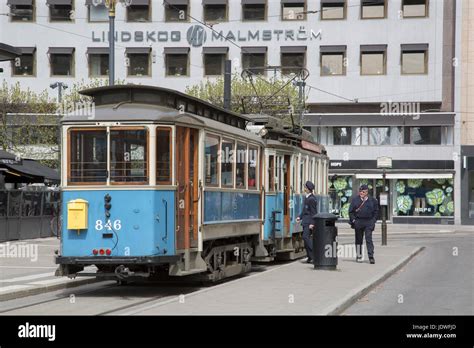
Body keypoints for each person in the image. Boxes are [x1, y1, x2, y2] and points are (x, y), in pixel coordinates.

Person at [349, 184, 379, 264]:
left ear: (366, 192)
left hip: (369, 222)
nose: (361, 193)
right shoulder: (355, 200)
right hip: (358, 221)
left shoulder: (373, 200)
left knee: (368, 239)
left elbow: (376, 212)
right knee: (358, 240)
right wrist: (354, 220)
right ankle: (359, 255)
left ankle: (371, 256)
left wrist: (373, 221)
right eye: (360, 191)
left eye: (363, 191)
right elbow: (351, 211)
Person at [296, 181, 318, 263]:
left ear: (308, 189)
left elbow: (313, 212)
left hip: (309, 222)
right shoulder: (308, 197)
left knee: (306, 237)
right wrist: (299, 217)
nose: (304, 188)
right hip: (306, 221)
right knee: (305, 239)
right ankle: (310, 257)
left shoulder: (311, 199)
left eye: (305, 187)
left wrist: (312, 223)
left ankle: (314, 255)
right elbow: (305, 210)